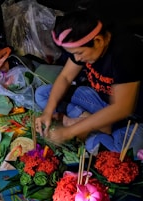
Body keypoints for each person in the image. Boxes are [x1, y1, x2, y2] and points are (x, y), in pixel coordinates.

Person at [34, 9, 143, 156]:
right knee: (43, 94)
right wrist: (47, 112)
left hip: (132, 118)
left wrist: (69, 132)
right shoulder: (83, 45)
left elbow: (122, 108)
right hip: (101, 101)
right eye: (73, 54)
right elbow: (65, 77)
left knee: (121, 154)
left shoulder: (124, 52)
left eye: (79, 53)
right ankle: (88, 121)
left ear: (98, 41)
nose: (77, 59)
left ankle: (87, 124)